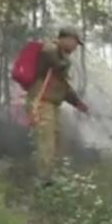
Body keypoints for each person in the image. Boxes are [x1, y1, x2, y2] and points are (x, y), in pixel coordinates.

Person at [27, 27, 89, 184]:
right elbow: (52, 59)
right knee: (46, 142)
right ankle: (44, 181)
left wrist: (78, 103)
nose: (75, 47)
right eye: (75, 42)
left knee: (57, 141)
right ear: (66, 39)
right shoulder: (50, 48)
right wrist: (63, 61)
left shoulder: (60, 56)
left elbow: (63, 87)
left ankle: (53, 177)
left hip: (52, 103)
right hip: (41, 101)